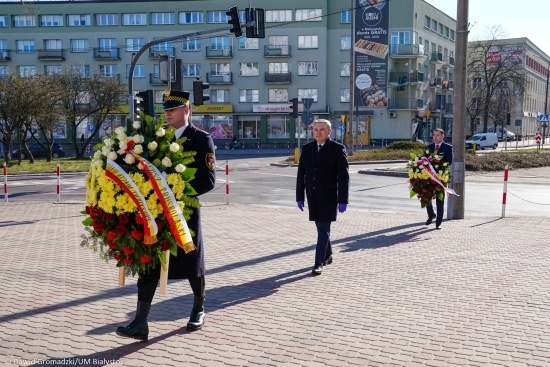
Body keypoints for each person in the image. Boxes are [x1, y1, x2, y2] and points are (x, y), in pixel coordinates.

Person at [116, 90, 216, 341]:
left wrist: (178, 195)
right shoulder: (157, 139)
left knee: (191, 261)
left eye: (172, 109)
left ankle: (198, 308)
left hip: (184, 212)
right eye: (165, 109)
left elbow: (209, 179)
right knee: (150, 262)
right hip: (155, 213)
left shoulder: (201, 139)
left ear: (187, 110)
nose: (167, 113)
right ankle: (140, 322)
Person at [296, 119, 349, 275]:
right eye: (316, 129)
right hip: (312, 196)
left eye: (322, 129)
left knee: (323, 229)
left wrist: (343, 199)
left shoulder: (337, 149)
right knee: (321, 228)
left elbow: (343, 177)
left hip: (329, 197)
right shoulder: (307, 149)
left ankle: (318, 263)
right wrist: (299, 196)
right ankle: (328, 254)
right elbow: (301, 175)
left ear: (329, 132)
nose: (318, 132)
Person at [425, 128, 453, 230]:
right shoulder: (429, 147)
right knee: (426, 197)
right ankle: (431, 214)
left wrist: (437, 163)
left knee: (439, 200)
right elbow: (424, 160)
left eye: (437, 135)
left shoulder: (448, 147)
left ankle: (438, 222)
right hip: (429, 177)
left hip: (441, 177)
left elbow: (449, 161)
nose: (435, 137)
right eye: (434, 135)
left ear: (442, 136)